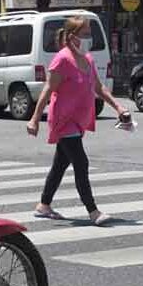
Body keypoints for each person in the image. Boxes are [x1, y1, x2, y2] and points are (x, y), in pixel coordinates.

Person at [26, 16, 129, 226]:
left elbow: (99, 88)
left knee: (60, 164)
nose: (89, 38)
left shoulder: (88, 59)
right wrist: (35, 119)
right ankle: (93, 211)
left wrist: (118, 107)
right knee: (81, 162)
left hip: (79, 121)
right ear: (72, 37)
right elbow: (48, 89)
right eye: (85, 34)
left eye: (90, 33)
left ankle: (44, 205)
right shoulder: (62, 59)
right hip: (63, 121)